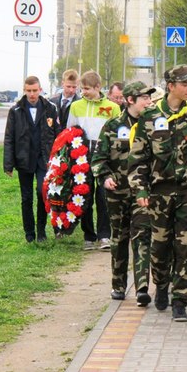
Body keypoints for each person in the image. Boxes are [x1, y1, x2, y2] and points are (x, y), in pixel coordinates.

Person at [128, 64, 187, 320]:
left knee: (186, 246)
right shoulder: (149, 117)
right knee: (160, 247)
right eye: (184, 84)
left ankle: (180, 300)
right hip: (159, 194)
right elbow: (138, 157)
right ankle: (161, 284)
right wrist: (140, 189)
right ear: (170, 86)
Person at [91, 82, 155, 301]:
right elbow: (98, 159)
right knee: (119, 239)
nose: (149, 101)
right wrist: (105, 177)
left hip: (143, 193)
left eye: (149, 98)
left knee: (142, 236)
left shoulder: (155, 125)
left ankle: (142, 288)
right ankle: (118, 285)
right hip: (117, 192)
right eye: (144, 98)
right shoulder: (112, 126)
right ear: (130, 100)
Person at [67, 70, 120, 250]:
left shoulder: (112, 107)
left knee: (103, 196)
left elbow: (117, 133)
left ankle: (105, 235)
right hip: (82, 155)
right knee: (84, 195)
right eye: (82, 89)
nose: (84, 92)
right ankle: (88, 235)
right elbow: (70, 131)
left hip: (104, 155)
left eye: (87, 89)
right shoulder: (76, 106)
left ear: (98, 87)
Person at [3, 76, 60, 243]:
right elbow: (9, 138)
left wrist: (58, 160)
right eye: (29, 91)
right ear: (24, 90)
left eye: (35, 90)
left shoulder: (50, 108)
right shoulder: (16, 111)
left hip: (44, 159)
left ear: (40, 89)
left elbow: (58, 135)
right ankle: (29, 233)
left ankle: (41, 231)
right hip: (24, 159)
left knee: (42, 193)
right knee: (26, 197)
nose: (32, 94)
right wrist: (8, 164)